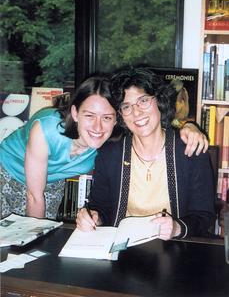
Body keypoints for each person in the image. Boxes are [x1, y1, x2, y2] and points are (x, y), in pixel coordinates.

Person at [0, 74, 208, 221]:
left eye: (107, 117)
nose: (98, 127)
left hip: (50, 185)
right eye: (89, 115)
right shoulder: (48, 129)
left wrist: (188, 126)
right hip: (6, 172)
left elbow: (149, 125)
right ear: (74, 113)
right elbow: (34, 195)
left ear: (116, 119)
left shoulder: (108, 141)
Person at [76, 66, 215, 239]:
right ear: (121, 116)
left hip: (176, 249)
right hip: (123, 249)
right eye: (126, 106)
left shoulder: (190, 149)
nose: (136, 112)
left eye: (143, 101)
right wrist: (94, 217)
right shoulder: (110, 154)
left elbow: (204, 215)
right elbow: (101, 207)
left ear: (159, 101)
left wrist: (176, 228)